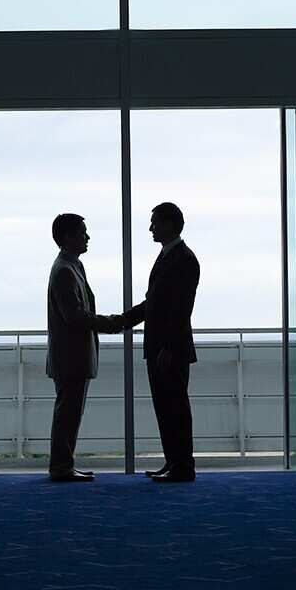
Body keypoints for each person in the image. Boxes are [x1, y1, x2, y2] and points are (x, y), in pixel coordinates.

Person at [120, 202, 200, 482]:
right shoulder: (169, 256)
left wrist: (168, 346)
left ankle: (182, 466)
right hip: (160, 348)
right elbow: (154, 304)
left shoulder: (184, 259)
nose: (151, 228)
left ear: (169, 224)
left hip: (169, 350)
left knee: (175, 408)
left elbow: (180, 309)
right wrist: (122, 321)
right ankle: (174, 462)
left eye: (155, 222)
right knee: (165, 408)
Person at [45, 213, 123, 482]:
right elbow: (75, 316)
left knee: (69, 413)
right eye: (82, 232)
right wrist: (112, 323)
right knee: (67, 414)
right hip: (71, 358)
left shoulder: (72, 266)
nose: (87, 237)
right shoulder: (65, 270)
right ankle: (61, 467)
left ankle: (63, 465)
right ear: (67, 237)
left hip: (72, 356)